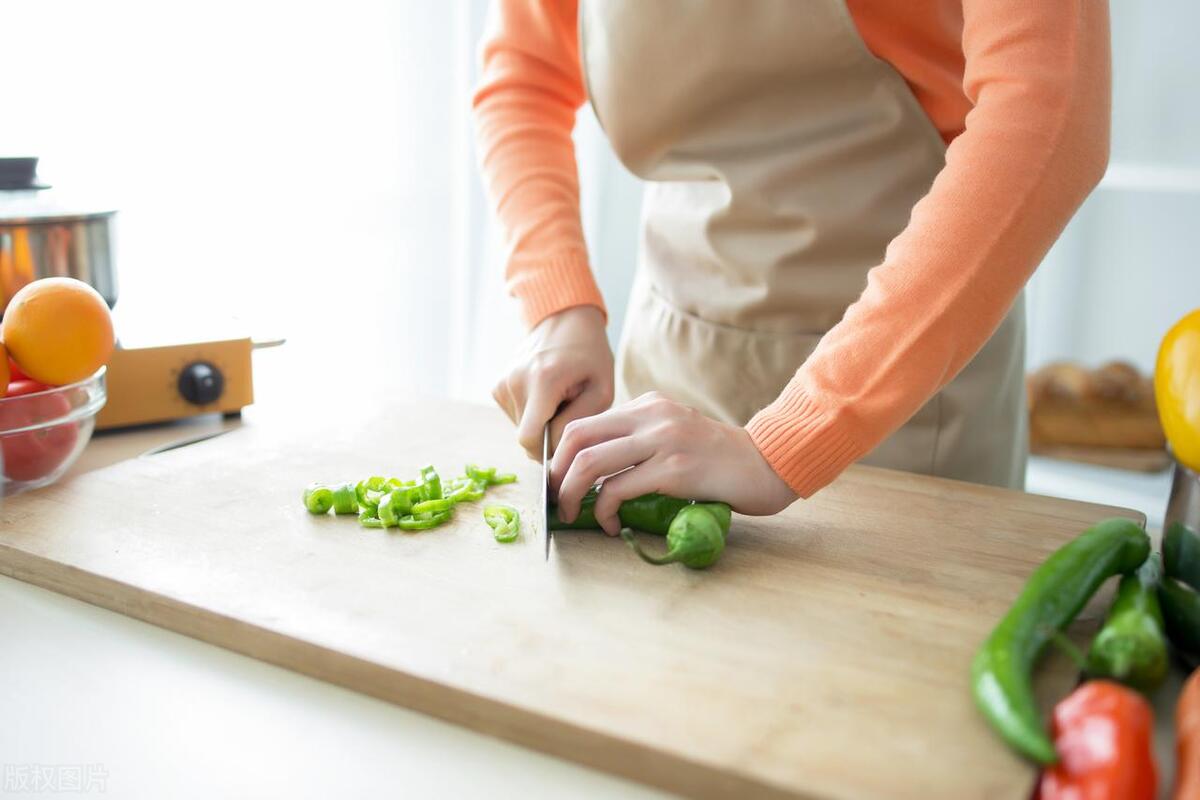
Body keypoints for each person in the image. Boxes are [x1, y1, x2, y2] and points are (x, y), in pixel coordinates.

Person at [473, 0, 1111, 535]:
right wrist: (559, 311)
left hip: (907, 401)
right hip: (669, 369)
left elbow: (1047, 115)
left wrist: (786, 444)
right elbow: (524, 77)